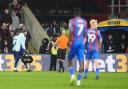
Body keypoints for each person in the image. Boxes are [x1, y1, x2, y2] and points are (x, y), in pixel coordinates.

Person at [68, 8, 87, 86]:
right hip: (81, 43)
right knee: (81, 62)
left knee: (69, 60)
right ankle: (79, 81)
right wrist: (83, 41)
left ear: (74, 14)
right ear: (80, 14)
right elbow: (85, 34)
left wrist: (69, 43)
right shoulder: (84, 22)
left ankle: (72, 75)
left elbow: (70, 33)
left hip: (74, 42)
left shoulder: (72, 21)